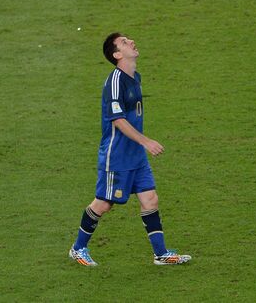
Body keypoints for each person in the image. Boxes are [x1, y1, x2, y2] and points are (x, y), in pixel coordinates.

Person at [69, 32, 191, 266]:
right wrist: (146, 141)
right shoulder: (114, 82)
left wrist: (141, 147)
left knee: (150, 199)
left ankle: (161, 254)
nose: (132, 41)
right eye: (124, 42)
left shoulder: (135, 77)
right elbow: (118, 120)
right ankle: (78, 248)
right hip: (117, 157)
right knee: (104, 204)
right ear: (117, 54)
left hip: (136, 156)